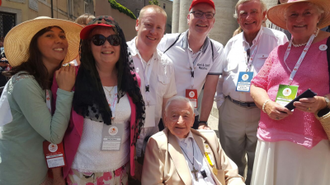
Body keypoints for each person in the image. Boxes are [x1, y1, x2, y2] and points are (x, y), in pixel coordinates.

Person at [51, 16, 145, 185]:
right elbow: (53, 133)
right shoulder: (69, 78)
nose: (107, 45)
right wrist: (56, 176)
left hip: (120, 171)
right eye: (98, 40)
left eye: (114, 40)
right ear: (88, 45)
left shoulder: (132, 80)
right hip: (81, 173)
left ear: (121, 45)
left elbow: (132, 128)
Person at [250, 0, 330, 184]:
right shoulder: (279, 51)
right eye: (293, 14)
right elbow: (256, 85)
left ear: (319, 17)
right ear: (286, 22)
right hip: (271, 135)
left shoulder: (328, 46)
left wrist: (323, 102)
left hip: (311, 143)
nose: (299, 19)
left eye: (307, 13)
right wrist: (267, 104)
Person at [0, 16, 81, 185]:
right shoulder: (24, 82)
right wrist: (65, 91)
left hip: (41, 175)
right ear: (34, 44)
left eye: (62, 36)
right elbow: (54, 135)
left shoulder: (51, 80)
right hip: (17, 177)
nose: (59, 40)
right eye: (49, 36)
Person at [215, 1, 288, 184]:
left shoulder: (278, 39)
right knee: (230, 163)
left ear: (264, 15)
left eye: (253, 12)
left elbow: (287, 76)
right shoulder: (231, 43)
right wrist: (222, 105)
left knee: (259, 163)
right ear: (237, 18)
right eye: (242, 13)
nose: (248, 17)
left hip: (262, 113)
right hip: (232, 112)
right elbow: (221, 78)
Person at [142, 96, 245, 185]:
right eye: (174, 116)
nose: (180, 121)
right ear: (165, 119)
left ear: (192, 120)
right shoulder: (157, 144)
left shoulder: (209, 138)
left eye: (185, 116)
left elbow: (232, 175)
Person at [127, 4, 177, 179]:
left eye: (159, 28)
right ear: (137, 24)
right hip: (123, 143)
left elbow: (168, 106)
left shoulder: (167, 64)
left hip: (152, 143)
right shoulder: (119, 57)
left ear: (164, 31)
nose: (153, 32)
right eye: (148, 25)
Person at [158, 0, 223, 129]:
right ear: (188, 18)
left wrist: (203, 122)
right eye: (198, 13)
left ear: (213, 22)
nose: (203, 19)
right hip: (163, 115)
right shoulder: (166, 42)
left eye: (209, 15)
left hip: (191, 116)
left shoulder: (216, 50)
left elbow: (210, 90)